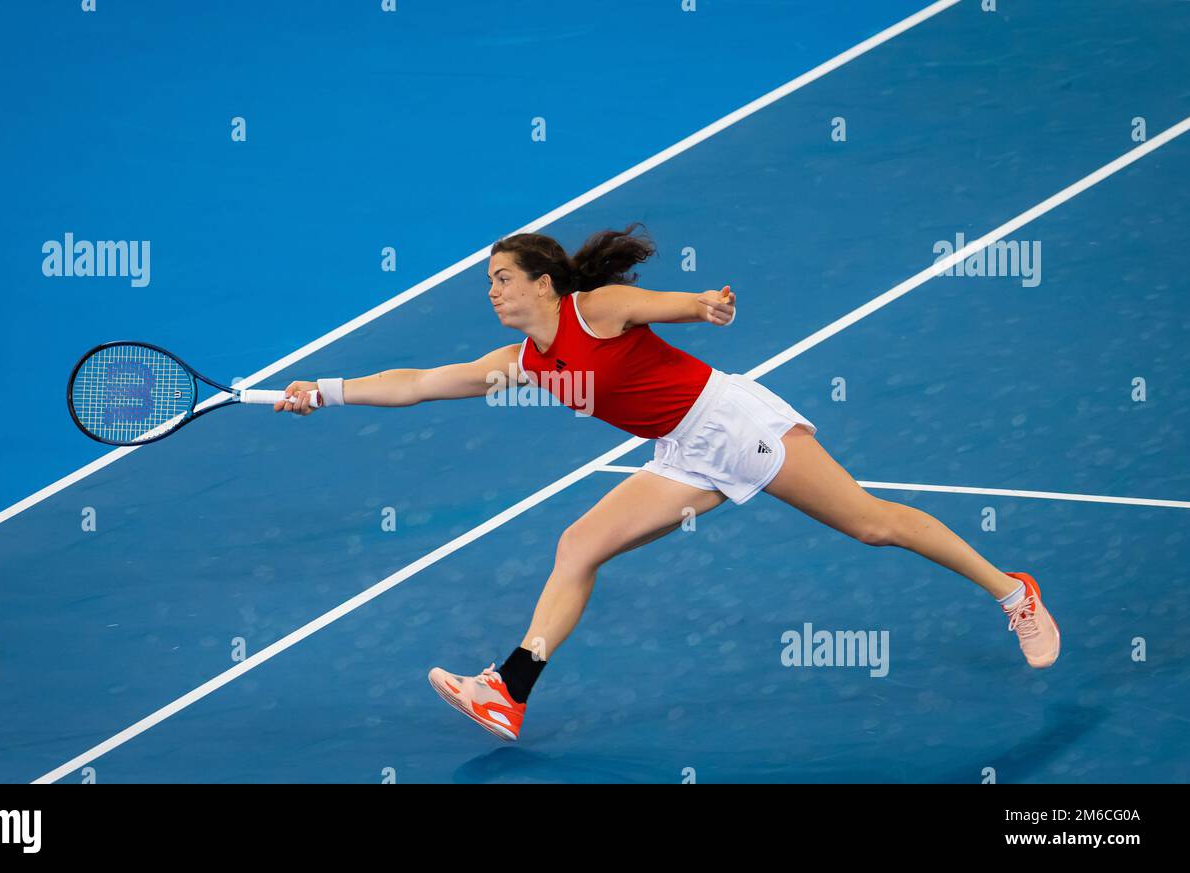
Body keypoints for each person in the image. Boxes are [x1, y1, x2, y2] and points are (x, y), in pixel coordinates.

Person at [276, 224, 1060, 742]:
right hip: (680, 450)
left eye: (503, 278)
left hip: (732, 424)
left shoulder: (595, 309)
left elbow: (668, 304)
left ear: (545, 284)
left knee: (869, 524)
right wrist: (327, 387)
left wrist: (704, 303)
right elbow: (417, 381)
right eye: (490, 281)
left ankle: (1012, 590)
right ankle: (509, 689)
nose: (493, 291)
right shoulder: (525, 363)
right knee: (579, 543)